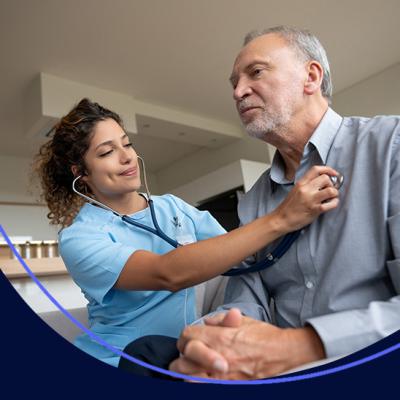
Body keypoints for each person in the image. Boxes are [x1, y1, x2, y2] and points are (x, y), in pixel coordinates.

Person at [34, 97, 340, 368]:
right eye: (107, 152)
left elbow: (234, 249)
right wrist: (281, 217)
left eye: (127, 144)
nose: (127, 157)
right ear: (81, 172)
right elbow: (168, 273)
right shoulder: (80, 238)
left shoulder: (172, 208)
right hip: (120, 360)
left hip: (184, 355)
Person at [169, 26, 400, 380]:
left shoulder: (390, 146)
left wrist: (300, 347)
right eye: (234, 82)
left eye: (256, 72)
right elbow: (247, 300)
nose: (238, 91)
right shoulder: (255, 203)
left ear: (311, 76)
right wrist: (215, 335)